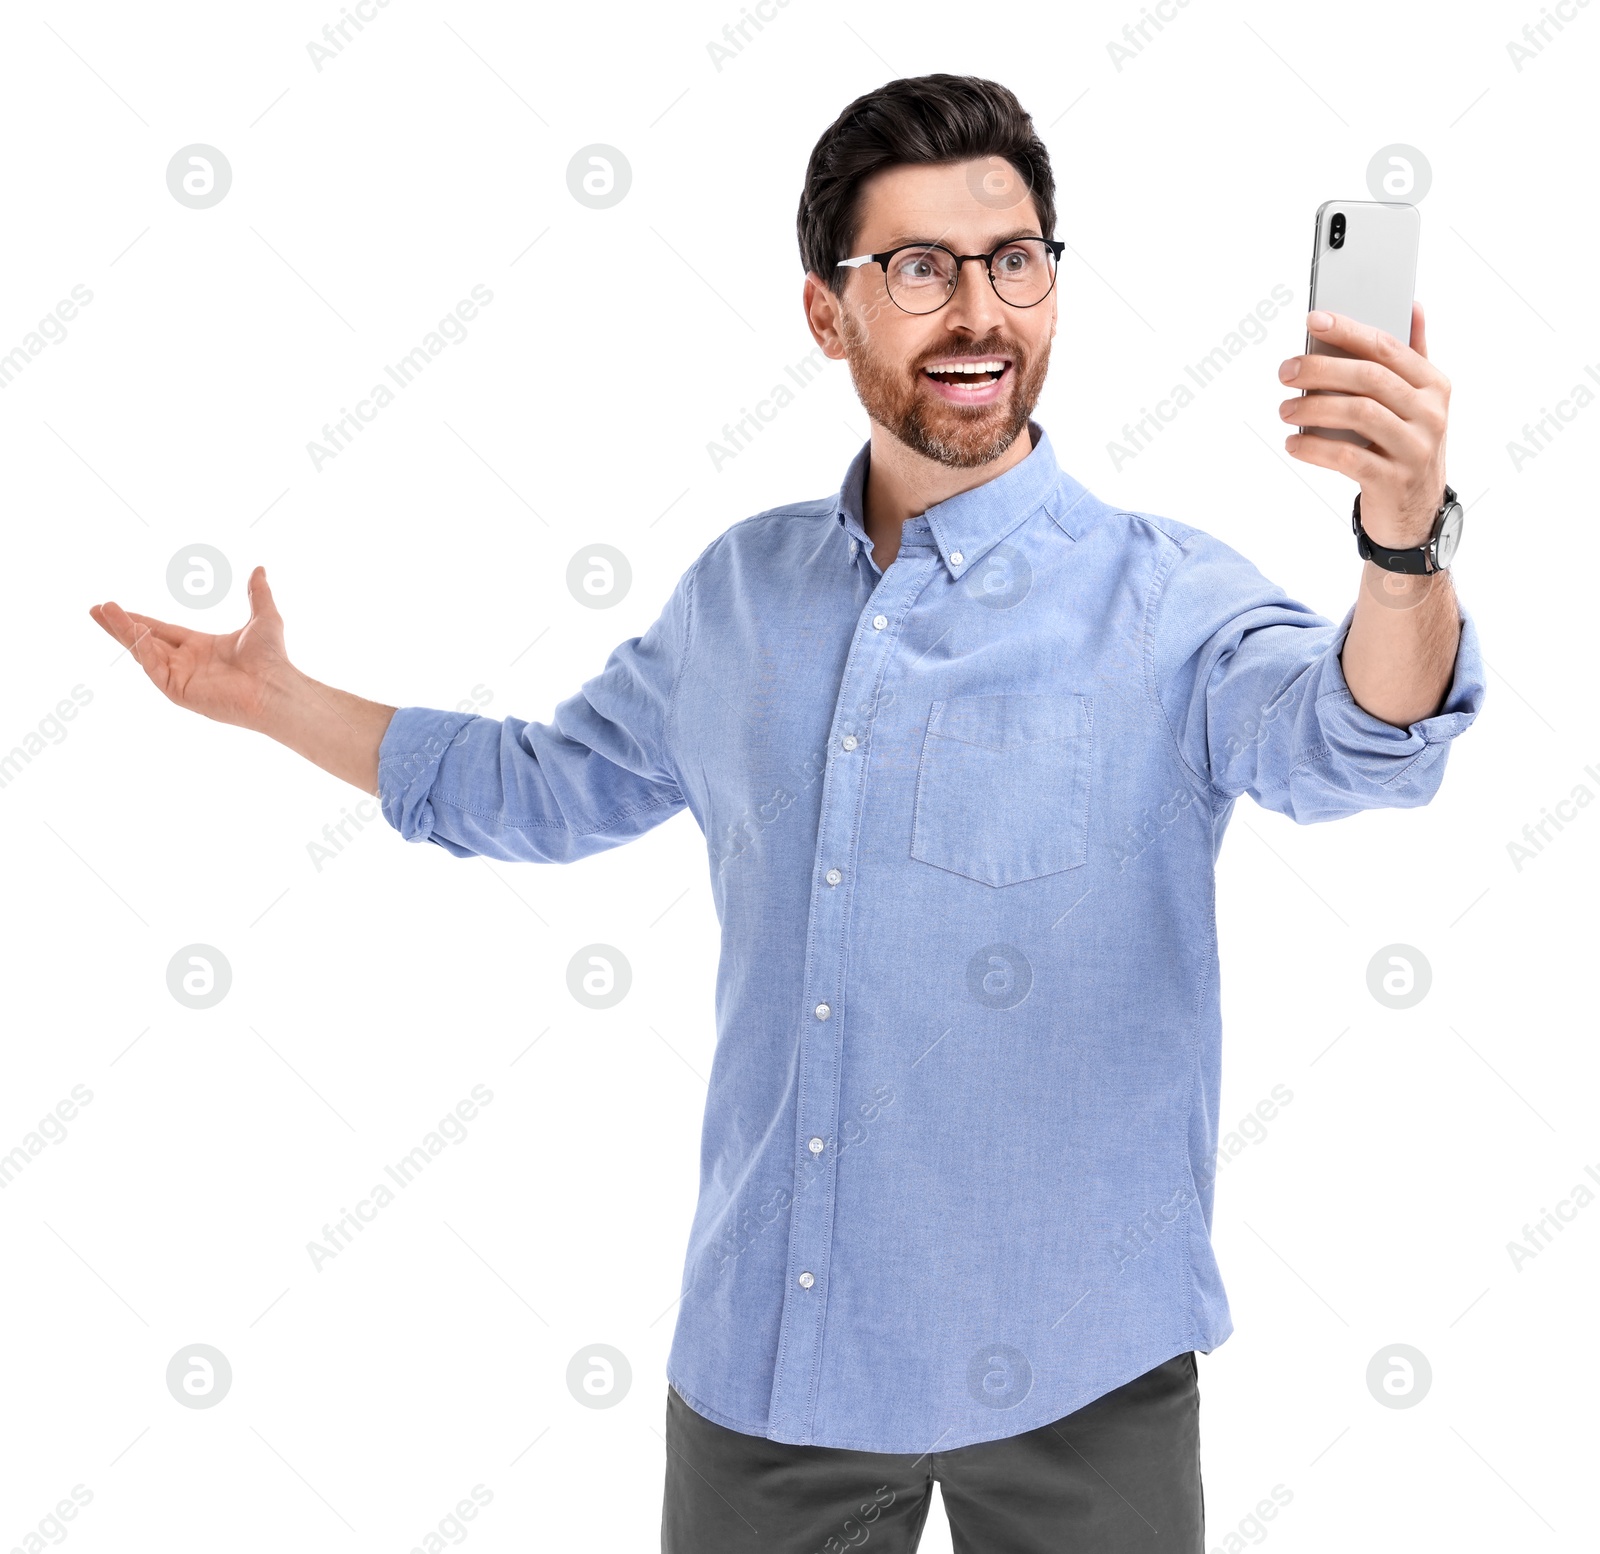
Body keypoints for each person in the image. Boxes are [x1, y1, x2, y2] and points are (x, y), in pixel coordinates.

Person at [90, 73, 1482, 1554]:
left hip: (1089, 1376)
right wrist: (274, 699)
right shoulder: (740, 599)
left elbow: (1369, 736)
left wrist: (1403, 546)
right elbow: (541, 787)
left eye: (1015, 261)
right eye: (920, 269)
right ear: (830, 313)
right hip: (775, 1363)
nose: (979, 313)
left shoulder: (1170, 602)